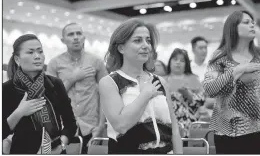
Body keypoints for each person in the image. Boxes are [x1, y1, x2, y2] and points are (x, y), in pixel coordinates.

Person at [99, 18, 183, 154]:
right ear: (121, 48)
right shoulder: (109, 82)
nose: (146, 46)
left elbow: (174, 128)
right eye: (138, 40)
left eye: (148, 40)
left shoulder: (160, 81)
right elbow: (121, 125)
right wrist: (145, 95)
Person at [203, 10, 260, 154]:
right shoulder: (219, 57)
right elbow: (209, 89)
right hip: (228, 131)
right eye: (246, 22)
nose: (252, 25)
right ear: (233, 27)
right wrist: (237, 71)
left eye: (253, 22)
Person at [2, 34, 77, 154]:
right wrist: (20, 112)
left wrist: (61, 145)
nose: (37, 56)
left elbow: (71, 123)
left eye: (40, 51)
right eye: (30, 52)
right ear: (17, 59)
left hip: (56, 152)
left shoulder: (55, 84)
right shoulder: (7, 89)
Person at [47, 23, 108, 154]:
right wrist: (72, 78)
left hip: (91, 126)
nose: (76, 37)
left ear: (84, 37)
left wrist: (101, 125)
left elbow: (106, 95)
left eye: (79, 33)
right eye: (71, 34)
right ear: (63, 40)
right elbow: (50, 96)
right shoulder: (55, 63)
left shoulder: (96, 61)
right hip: (63, 127)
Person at [165, 48, 205, 138]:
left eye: (182, 60)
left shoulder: (193, 79)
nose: (178, 62)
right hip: (167, 125)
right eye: (175, 59)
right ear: (170, 62)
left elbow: (202, 101)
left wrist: (188, 95)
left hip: (188, 126)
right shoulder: (163, 80)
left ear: (186, 64)